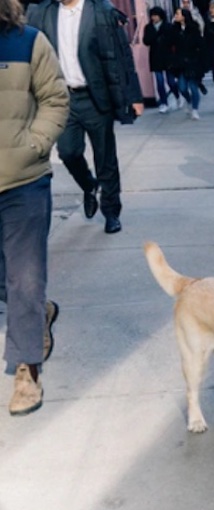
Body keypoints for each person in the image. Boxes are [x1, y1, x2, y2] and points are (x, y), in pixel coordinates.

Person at [0, 0, 69, 415]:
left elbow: (55, 100)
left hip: (23, 183)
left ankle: (28, 371)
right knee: (11, 285)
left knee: (24, 280)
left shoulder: (28, 42)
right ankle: (38, 313)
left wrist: (33, 146)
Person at [24, 0, 143, 235]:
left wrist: (134, 95)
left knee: (105, 157)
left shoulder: (102, 12)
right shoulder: (43, 13)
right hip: (61, 99)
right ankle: (89, 186)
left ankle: (111, 211)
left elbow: (121, 57)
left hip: (95, 97)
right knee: (68, 151)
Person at [143, 6, 180, 113]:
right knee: (159, 81)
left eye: (155, 15)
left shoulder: (168, 26)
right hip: (155, 57)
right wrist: (155, 35)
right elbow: (146, 41)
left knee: (170, 81)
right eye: (152, 16)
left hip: (167, 56)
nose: (153, 18)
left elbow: (173, 41)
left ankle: (177, 95)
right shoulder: (148, 27)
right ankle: (164, 103)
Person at [172, 7, 206, 120]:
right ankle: (189, 100)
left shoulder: (193, 29)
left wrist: (201, 61)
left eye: (178, 14)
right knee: (182, 87)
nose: (176, 16)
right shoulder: (175, 29)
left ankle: (195, 109)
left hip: (193, 62)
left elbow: (200, 45)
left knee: (193, 86)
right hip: (181, 63)